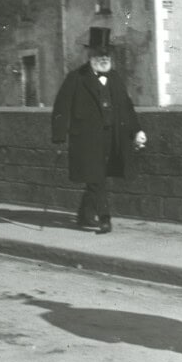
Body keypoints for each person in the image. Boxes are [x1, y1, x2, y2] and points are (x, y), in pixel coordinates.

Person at [51, 27, 147, 234]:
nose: (104, 58)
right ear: (90, 55)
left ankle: (84, 215)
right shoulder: (75, 78)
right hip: (86, 139)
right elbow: (61, 108)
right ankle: (105, 219)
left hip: (112, 139)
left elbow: (126, 107)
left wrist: (137, 130)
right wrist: (59, 138)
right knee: (96, 178)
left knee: (98, 178)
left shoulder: (115, 78)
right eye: (99, 54)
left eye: (106, 54)